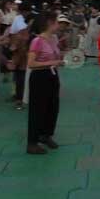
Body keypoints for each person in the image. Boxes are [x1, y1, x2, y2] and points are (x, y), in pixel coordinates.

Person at [26, 13, 66, 154]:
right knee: (38, 109)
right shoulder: (37, 41)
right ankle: (32, 142)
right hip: (40, 77)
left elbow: (56, 56)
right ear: (49, 23)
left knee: (52, 106)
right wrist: (53, 62)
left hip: (52, 75)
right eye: (56, 22)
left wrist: (62, 59)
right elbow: (31, 63)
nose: (58, 25)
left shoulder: (54, 39)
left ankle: (46, 134)